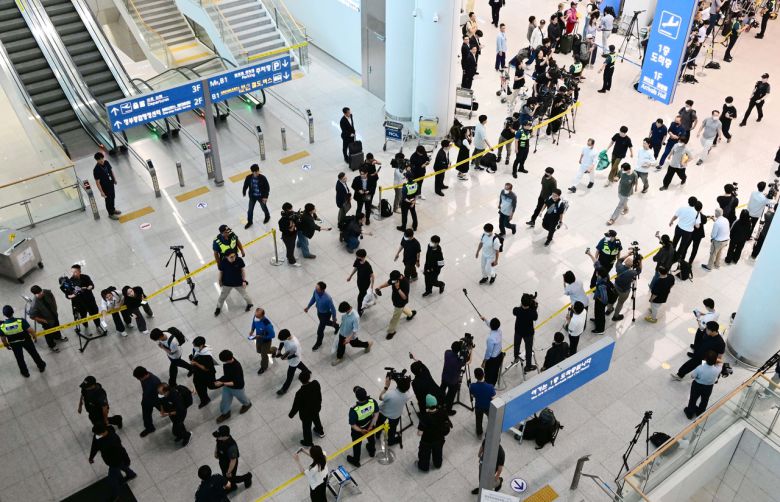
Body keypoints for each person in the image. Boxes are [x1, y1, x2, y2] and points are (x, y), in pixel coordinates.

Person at [88, 424, 136, 499]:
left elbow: (121, 450)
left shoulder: (113, 440)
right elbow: (95, 446)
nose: (96, 436)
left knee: (112, 480)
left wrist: (127, 460)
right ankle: (131, 474)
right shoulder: (100, 434)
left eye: (97, 434)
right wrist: (91, 457)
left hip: (114, 462)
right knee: (122, 466)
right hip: (113, 460)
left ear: (103, 432)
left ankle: (115, 495)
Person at [0, 305, 45, 377]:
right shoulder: (21, 321)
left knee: (19, 358)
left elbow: (3, 338)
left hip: (14, 344)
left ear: (4, 315)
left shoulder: (2, 326)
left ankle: (25, 372)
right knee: (34, 353)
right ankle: (41, 366)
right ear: (13, 312)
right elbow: (31, 330)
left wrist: (6, 345)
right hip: (26, 341)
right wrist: (35, 337)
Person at [375, 270, 416, 340]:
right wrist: (380, 287)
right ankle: (410, 314)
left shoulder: (405, 282)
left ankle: (391, 331)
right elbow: (389, 282)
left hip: (401, 302)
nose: (392, 281)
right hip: (396, 300)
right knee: (401, 309)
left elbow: (404, 297)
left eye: (393, 280)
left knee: (395, 318)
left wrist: (398, 288)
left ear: (399, 277)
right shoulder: (395, 279)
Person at [214, 350, 253, 421]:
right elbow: (227, 375)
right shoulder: (228, 362)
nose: (224, 362)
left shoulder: (236, 367)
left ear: (228, 359)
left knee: (242, 398)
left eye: (224, 361)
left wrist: (222, 383)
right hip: (227, 385)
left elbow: (235, 382)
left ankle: (247, 404)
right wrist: (220, 380)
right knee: (225, 400)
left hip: (237, 387)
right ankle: (225, 413)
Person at [416, 394, 450, 472]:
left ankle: (424, 467)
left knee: (424, 454)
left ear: (427, 405)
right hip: (439, 439)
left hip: (427, 441)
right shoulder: (442, 412)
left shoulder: (425, 417)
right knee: (438, 452)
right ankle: (437, 464)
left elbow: (419, 433)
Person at [212, 425, 253, 490]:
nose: (217, 437)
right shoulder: (220, 438)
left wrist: (229, 471)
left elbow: (233, 461)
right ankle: (232, 486)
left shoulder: (231, 447)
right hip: (223, 461)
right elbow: (217, 443)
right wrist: (216, 452)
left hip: (229, 465)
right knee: (226, 477)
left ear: (225, 436)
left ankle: (247, 477)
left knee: (230, 478)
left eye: (218, 436)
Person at [346, 386, 379, 467]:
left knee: (357, 445)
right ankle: (372, 452)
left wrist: (361, 431)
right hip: (370, 425)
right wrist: (371, 426)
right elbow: (376, 414)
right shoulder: (372, 402)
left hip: (358, 430)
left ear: (357, 397)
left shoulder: (354, 410)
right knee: (371, 438)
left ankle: (356, 461)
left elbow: (353, 425)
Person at [28, 285, 67, 351]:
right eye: (39, 293)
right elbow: (32, 316)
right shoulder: (34, 304)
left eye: (41, 291)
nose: (42, 293)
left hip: (53, 314)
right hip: (46, 321)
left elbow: (52, 296)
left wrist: (55, 306)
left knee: (57, 326)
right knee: (48, 334)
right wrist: (43, 320)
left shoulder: (45, 291)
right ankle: (52, 345)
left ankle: (58, 336)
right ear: (35, 294)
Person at [66, 264, 103, 334]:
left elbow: (92, 285)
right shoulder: (70, 282)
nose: (73, 273)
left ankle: (98, 326)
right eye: (72, 272)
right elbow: (67, 295)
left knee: (95, 314)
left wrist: (90, 287)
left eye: (75, 272)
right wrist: (72, 296)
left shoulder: (85, 277)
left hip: (89, 300)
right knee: (83, 316)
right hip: (79, 303)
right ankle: (85, 325)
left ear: (80, 271)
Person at [214, 249, 253, 317]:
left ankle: (250, 304)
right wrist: (220, 281)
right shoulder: (223, 263)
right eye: (231, 257)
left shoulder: (239, 260)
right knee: (222, 297)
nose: (233, 258)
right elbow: (221, 272)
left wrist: (244, 281)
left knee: (245, 295)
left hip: (238, 282)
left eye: (234, 256)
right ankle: (218, 308)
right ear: (226, 257)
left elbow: (242, 271)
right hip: (227, 283)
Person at [684, 350, 721, 419]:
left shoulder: (699, 368)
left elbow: (692, 376)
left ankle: (689, 413)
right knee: (704, 400)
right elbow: (720, 364)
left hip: (697, 385)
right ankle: (700, 413)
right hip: (709, 387)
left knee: (693, 399)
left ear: (705, 359)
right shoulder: (717, 369)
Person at [332, 302, 372, 366]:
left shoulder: (355, 317)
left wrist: (349, 338)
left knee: (355, 344)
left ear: (347, 309)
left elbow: (355, 329)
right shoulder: (346, 312)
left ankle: (367, 344)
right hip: (342, 332)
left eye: (343, 312)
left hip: (350, 335)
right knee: (341, 345)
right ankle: (339, 357)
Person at [378, 373, 411, 446]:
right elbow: (407, 387)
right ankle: (391, 441)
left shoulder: (390, 394)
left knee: (379, 424)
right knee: (392, 430)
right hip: (395, 416)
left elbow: (380, 397)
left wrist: (386, 387)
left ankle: (377, 435)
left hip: (383, 413)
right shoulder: (408, 395)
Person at [304, 281, 339, 351]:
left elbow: (333, 309)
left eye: (317, 289)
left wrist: (334, 318)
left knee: (320, 330)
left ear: (322, 290)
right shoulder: (316, 291)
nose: (316, 290)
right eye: (316, 288)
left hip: (326, 314)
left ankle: (319, 343)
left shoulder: (328, 299)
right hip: (319, 312)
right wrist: (308, 307)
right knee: (325, 322)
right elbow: (313, 298)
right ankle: (336, 326)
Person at [275, 329, 310, 396]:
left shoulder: (295, 344)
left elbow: (296, 354)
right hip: (292, 357)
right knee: (300, 365)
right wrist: (279, 350)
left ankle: (284, 389)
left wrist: (287, 358)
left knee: (290, 376)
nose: (283, 340)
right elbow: (282, 342)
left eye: (283, 339)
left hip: (294, 360)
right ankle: (307, 371)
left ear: (287, 337)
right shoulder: (287, 336)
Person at [132, 366, 161, 437]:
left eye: (139, 378)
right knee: (146, 414)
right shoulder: (146, 375)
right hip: (147, 399)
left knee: (165, 410)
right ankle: (149, 428)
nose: (139, 380)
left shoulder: (154, 382)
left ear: (144, 375)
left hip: (155, 399)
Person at [669, 197, 700, 263]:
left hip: (679, 228)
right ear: (695, 204)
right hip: (688, 232)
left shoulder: (682, 208)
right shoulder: (697, 213)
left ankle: (670, 254)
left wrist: (671, 221)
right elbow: (697, 226)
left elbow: (675, 216)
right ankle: (676, 258)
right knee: (682, 245)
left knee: (675, 241)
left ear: (688, 202)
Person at [512, 294, 538, 371]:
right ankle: (528, 366)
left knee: (516, 345)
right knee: (528, 349)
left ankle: (516, 357)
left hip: (518, 331)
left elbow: (515, 311)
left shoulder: (517, 310)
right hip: (528, 333)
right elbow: (535, 317)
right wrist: (534, 307)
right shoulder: (532, 312)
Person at [440, 341, 467, 415]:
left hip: (444, 376)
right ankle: (448, 410)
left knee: (442, 389)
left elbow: (450, 351)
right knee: (450, 396)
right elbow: (464, 361)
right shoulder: (459, 361)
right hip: (453, 381)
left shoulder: (447, 353)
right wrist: (463, 353)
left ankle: (440, 402)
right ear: (459, 350)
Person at [189, 336, 217, 408]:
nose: (194, 347)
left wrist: (195, 363)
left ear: (201, 345)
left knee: (212, 386)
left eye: (195, 346)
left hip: (207, 374)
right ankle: (205, 400)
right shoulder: (196, 349)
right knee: (199, 386)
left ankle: (224, 382)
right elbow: (195, 356)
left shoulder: (207, 356)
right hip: (198, 373)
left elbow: (207, 368)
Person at [93, 152, 121, 219]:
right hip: (105, 187)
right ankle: (110, 214)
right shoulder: (96, 169)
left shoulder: (106, 162)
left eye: (102, 158)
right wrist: (101, 192)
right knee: (108, 200)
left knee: (113, 197)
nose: (102, 160)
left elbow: (111, 171)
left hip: (111, 183)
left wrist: (114, 179)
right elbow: (97, 182)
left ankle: (113, 210)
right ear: (96, 160)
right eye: (99, 159)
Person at [347, 249, 375, 316]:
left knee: (360, 296)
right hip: (359, 281)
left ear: (363, 257)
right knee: (362, 293)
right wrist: (350, 276)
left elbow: (372, 276)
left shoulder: (367, 266)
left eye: (358, 257)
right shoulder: (357, 260)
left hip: (365, 283)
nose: (356, 258)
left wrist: (371, 286)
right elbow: (356, 268)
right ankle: (365, 298)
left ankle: (360, 309)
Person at [469, 368, 495, 437]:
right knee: (491, 419)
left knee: (478, 420)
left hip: (478, 406)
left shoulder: (472, 386)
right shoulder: (490, 387)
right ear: (484, 375)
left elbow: (472, 395)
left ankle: (479, 433)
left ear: (475, 376)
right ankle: (489, 432)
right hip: (488, 406)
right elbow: (493, 398)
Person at [242, 163, 270, 228]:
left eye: (258, 171)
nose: (257, 173)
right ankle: (249, 222)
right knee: (250, 210)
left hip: (261, 196)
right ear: (252, 172)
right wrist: (244, 191)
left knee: (263, 207)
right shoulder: (248, 177)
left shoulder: (262, 178)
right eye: (255, 172)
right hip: (252, 196)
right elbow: (245, 185)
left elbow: (267, 188)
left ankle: (267, 216)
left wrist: (265, 197)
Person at [480, 316, 503, 385]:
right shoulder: (499, 331)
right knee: (495, 371)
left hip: (492, 360)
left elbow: (488, 352)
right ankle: (493, 384)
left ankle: (487, 385)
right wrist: (485, 319)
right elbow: (491, 324)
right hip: (500, 355)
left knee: (488, 373)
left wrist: (484, 362)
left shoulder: (490, 339)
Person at [278, 202, 301, 267]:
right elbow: (282, 229)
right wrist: (291, 226)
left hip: (293, 234)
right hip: (287, 236)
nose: (292, 210)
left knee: (292, 247)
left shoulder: (292, 215)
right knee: (290, 248)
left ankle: (290, 256)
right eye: (290, 209)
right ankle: (292, 261)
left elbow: (296, 218)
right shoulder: (282, 221)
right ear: (287, 210)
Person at [590, 269, 610, 335]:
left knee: (600, 314)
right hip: (598, 300)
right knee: (597, 313)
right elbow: (597, 265)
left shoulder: (602, 286)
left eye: (597, 273)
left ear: (600, 275)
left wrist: (598, 298)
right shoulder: (605, 277)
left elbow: (605, 299)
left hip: (600, 302)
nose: (596, 274)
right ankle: (596, 321)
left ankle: (600, 330)